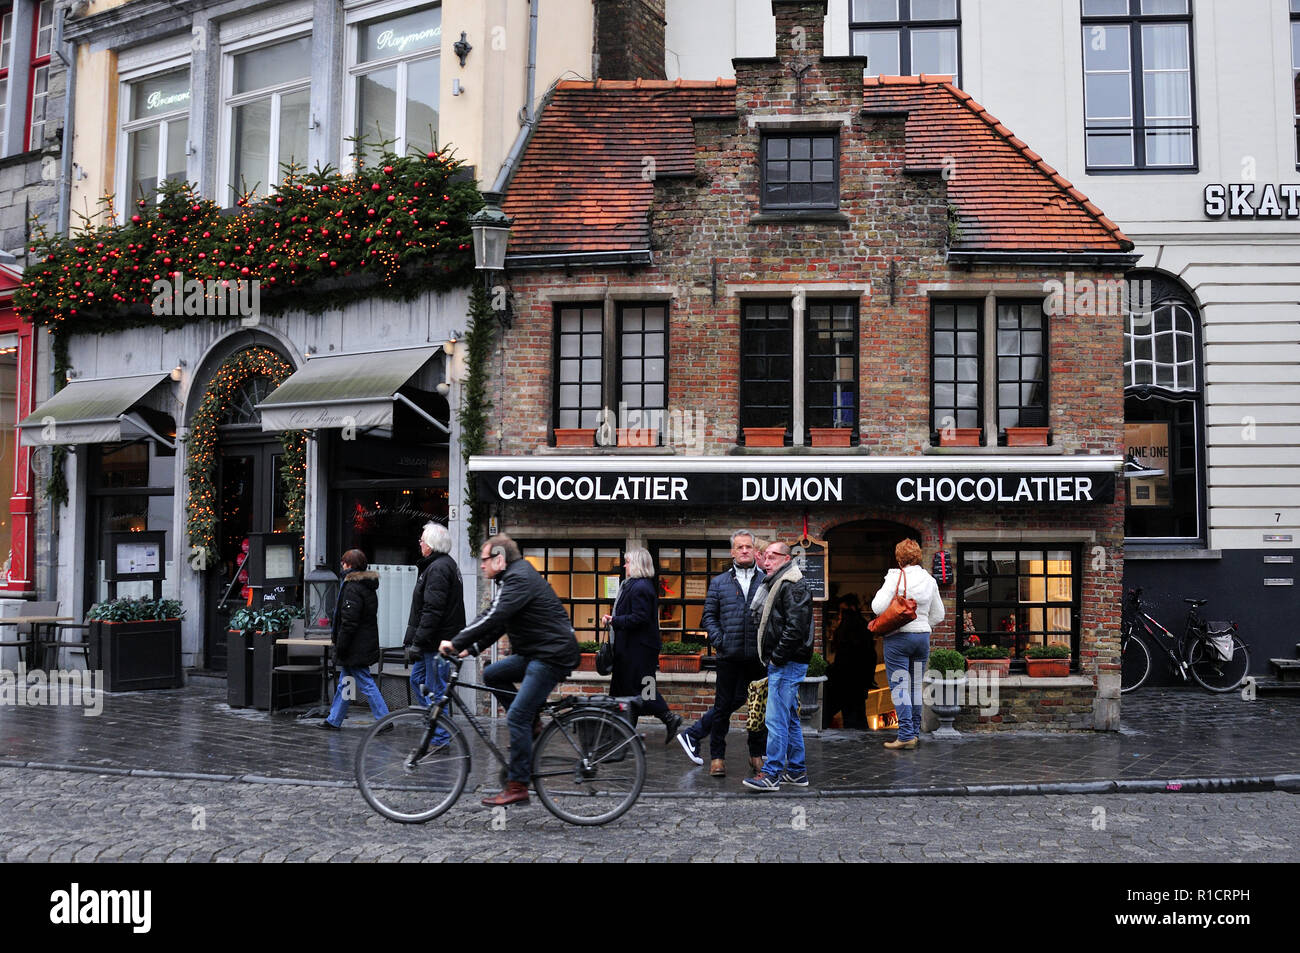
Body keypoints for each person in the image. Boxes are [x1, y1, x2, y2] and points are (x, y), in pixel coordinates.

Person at [441, 534, 580, 807]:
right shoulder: (514, 578)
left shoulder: (518, 579)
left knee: (516, 716)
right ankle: (532, 723)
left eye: (484, 560)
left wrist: (456, 642)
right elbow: (502, 621)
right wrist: (474, 648)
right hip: (536, 652)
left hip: (550, 655)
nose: (481, 566)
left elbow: (493, 615)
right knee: (493, 674)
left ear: (500, 559)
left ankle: (517, 786)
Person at [675, 530, 768, 778]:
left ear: (754, 550)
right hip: (729, 655)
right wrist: (720, 640)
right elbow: (708, 617)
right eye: (740, 547)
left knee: (758, 709)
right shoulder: (719, 583)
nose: (745, 550)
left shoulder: (767, 581)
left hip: (758, 657)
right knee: (722, 707)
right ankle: (717, 758)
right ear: (732, 552)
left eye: (748, 546)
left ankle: (756, 755)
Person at [743, 540, 813, 791]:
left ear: (786, 558)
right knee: (789, 719)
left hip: (787, 663)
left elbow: (796, 628)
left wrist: (777, 658)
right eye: (766, 556)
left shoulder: (793, 585)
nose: (767, 560)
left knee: (775, 720)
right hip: (785, 662)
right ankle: (796, 771)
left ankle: (771, 773)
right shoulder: (778, 583)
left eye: (773, 556)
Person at [600, 547, 683, 741]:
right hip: (632, 649)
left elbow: (640, 618)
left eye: (627, 562)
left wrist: (614, 620)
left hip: (638, 650)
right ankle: (626, 731)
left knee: (641, 689)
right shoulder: (635, 585)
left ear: (636, 564)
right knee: (627, 690)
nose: (624, 565)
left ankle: (668, 717)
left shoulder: (640, 588)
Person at [871, 538, 945, 750]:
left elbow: (877, 607)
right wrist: (922, 623)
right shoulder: (930, 580)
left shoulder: (896, 577)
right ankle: (913, 733)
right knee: (914, 686)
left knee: (899, 686)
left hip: (898, 638)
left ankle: (904, 736)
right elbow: (939, 614)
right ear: (918, 556)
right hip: (922, 638)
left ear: (899, 557)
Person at [403, 522, 466, 745]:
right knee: (418, 679)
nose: (419, 543)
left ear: (431, 544)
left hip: (436, 642)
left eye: (422, 540)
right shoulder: (438, 566)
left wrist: (417, 643)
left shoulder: (439, 568)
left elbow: (432, 610)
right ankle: (436, 721)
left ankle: (440, 735)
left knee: (437, 688)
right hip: (433, 640)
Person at [319, 549, 390, 729]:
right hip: (361, 643)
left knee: (365, 683)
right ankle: (334, 719)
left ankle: (384, 720)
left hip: (355, 646)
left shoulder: (352, 586)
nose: (342, 565)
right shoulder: (365, 585)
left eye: (344, 562)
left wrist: (341, 646)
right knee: (346, 682)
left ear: (349, 565)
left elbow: (349, 622)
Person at [825, 593, 874, 729]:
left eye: (842, 611)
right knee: (858, 714)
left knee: (848, 714)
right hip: (859, 680)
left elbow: (842, 655)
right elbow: (871, 654)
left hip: (845, 680)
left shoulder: (847, 627)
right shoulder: (864, 626)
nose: (840, 615)